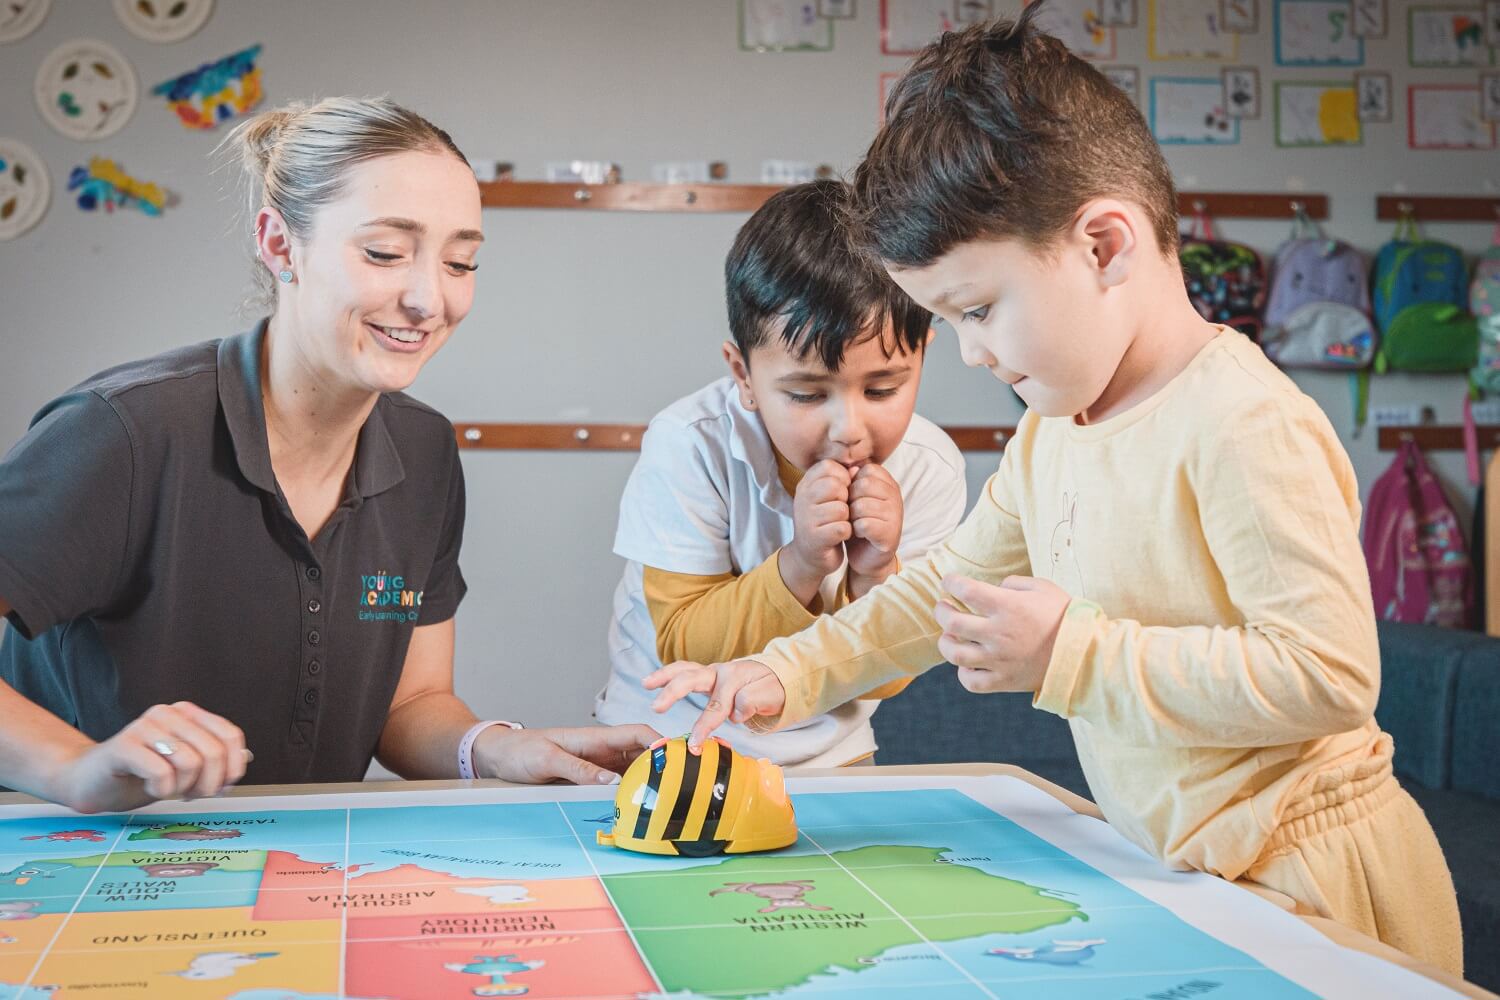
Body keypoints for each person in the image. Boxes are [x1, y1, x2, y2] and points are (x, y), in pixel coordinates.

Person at [643, 10, 1462, 976]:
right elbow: (943, 592)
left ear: (1105, 247)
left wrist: (1072, 651)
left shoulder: (1244, 420)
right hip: (1196, 870)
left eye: (980, 310)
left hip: (1317, 878)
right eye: (953, 321)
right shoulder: (1053, 431)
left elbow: (1325, 677)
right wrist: (789, 671)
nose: (977, 352)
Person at [0, 97, 656, 815]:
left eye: (460, 261)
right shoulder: (121, 431)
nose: (427, 298)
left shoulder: (426, 450)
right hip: (75, 861)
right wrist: (77, 770)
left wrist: (501, 749)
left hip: (296, 860)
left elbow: (413, 704)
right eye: (384, 252)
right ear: (280, 245)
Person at [593, 181, 966, 766]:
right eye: (806, 393)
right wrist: (801, 562)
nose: (849, 427)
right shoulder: (690, 443)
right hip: (668, 743)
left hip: (833, 754)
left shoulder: (929, 466)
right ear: (743, 374)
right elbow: (683, 644)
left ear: (923, 354)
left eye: (883, 388)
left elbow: (891, 673)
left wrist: (874, 576)